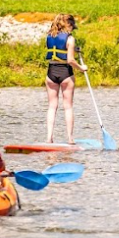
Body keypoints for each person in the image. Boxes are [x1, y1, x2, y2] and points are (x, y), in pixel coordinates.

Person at [44, 14, 88, 144]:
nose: (72, 29)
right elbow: (70, 60)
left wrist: (74, 49)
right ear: (68, 24)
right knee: (68, 107)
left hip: (51, 73)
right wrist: (81, 68)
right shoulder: (70, 38)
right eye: (72, 27)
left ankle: (49, 138)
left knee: (52, 106)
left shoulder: (49, 36)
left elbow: (58, 48)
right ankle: (70, 138)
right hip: (65, 74)